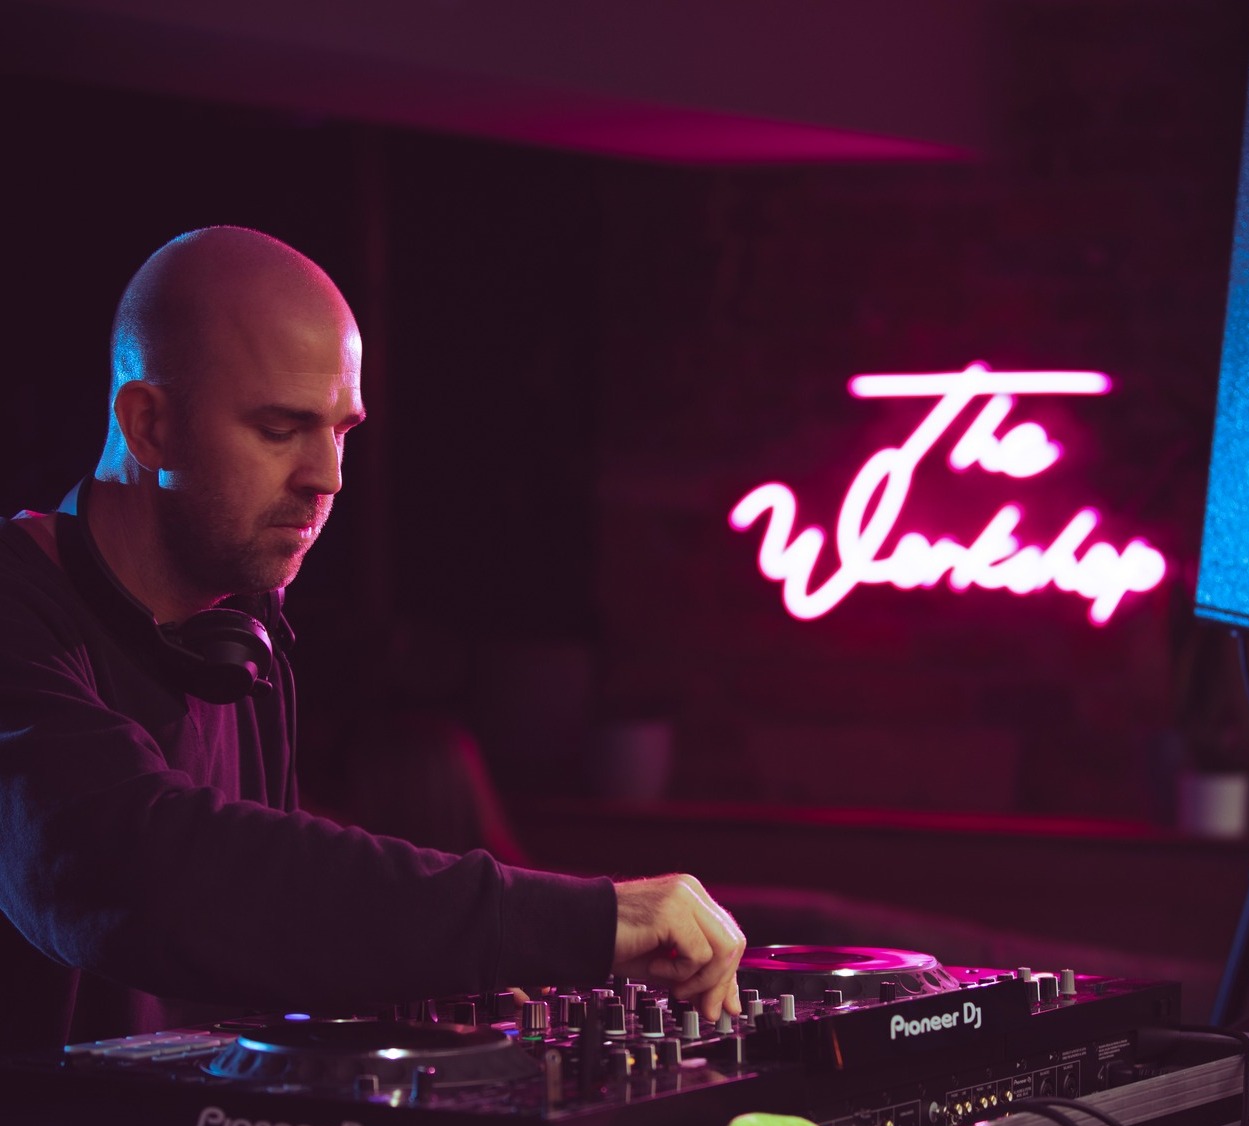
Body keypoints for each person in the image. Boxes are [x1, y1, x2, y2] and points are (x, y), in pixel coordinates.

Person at [0, 226, 744, 1050]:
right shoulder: (18, 613)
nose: (327, 477)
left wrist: (448, 961)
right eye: (280, 429)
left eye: (340, 430)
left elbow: (267, 923)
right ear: (147, 427)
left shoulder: (241, 633)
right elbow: (140, 873)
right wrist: (570, 919)